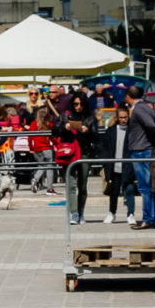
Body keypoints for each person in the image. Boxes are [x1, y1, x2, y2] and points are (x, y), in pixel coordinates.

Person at [125, 85, 155, 230]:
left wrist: (153, 140)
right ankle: (151, 218)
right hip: (144, 149)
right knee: (148, 187)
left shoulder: (139, 109)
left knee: (144, 187)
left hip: (141, 150)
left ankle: (147, 219)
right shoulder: (146, 107)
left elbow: (152, 126)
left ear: (128, 96)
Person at [61, 92, 98, 224]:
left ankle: (81, 212)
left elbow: (96, 136)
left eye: (81, 104)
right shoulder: (66, 116)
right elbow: (54, 129)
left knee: (82, 186)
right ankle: (74, 213)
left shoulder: (90, 118)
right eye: (76, 104)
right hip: (70, 153)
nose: (78, 107)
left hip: (84, 153)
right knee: (71, 185)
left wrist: (87, 131)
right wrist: (64, 127)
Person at [99, 105, 136, 225]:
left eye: (125, 117)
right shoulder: (111, 131)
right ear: (117, 117)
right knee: (113, 192)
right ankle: (112, 212)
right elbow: (105, 148)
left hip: (128, 166)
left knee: (129, 190)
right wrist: (105, 164)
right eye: (121, 117)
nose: (123, 120)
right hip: (114, 166)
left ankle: (130, 214)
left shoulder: (132, 131)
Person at [29, 106, 57, 196]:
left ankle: (35, 179)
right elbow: (53, 138)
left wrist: (31, 148)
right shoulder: (49, 124)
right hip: (46, 148)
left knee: (42, 165)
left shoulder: (33, 124)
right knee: (49, 167)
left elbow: (29, 137)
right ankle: (49, 188)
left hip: (37, 149)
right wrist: (57, 144)